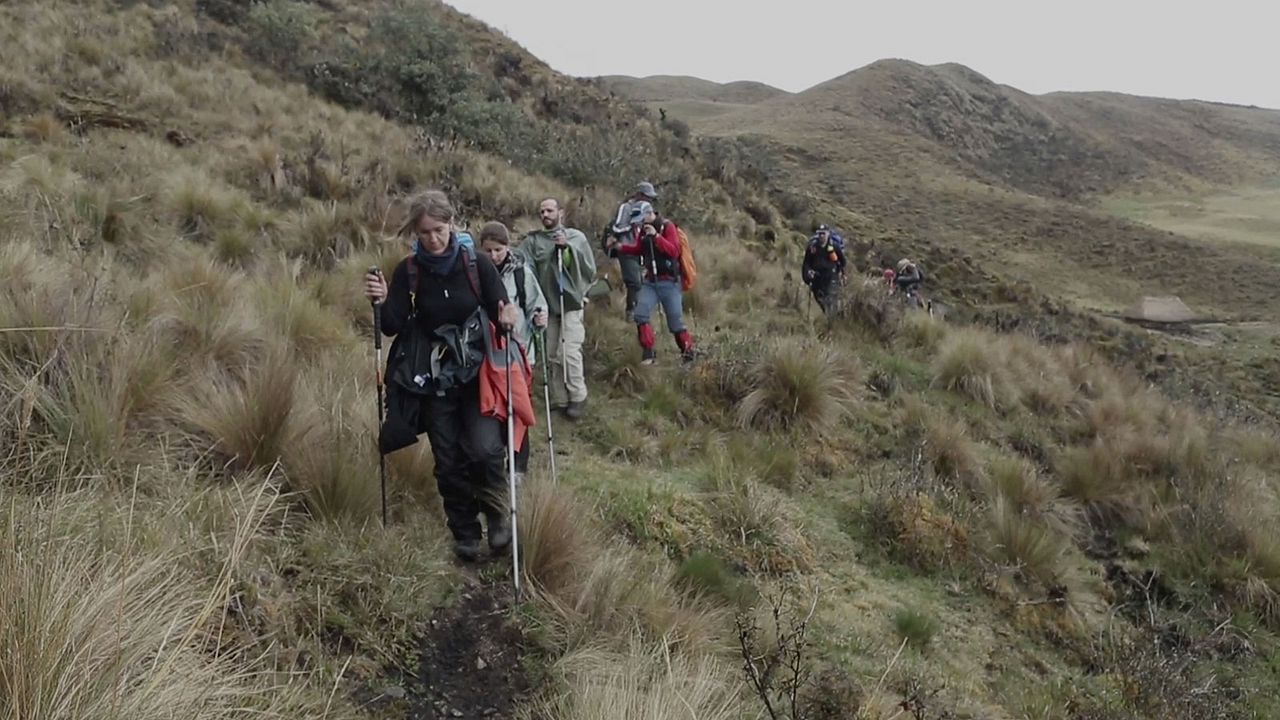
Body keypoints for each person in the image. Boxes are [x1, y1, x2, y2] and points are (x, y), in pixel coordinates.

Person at [363, 190, 521, 562]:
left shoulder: (476, 264)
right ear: (415, 234)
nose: (432, 239)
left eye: (438, 229)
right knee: (447, 459)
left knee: (485, 449)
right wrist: (382, 300)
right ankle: (465, 532)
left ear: (452, 223)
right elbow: (391, 327)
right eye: (424, 233)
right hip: (433, 380)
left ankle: (498, 515)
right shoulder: (410, 271)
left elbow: (500, 306)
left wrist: (509, 314)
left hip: (476, 376)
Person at [514, 198, 597, 420]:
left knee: (568, 351)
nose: (545, 214)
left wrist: (566, 250)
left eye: (549, 210)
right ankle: (560, 398)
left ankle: (578, 396)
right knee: (552, 354)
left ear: (560, 212)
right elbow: (522, 262)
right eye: (541, 211)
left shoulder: (575, 237)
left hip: (570, 303)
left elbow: (587, 269)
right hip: (547, 305)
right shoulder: (533, 242)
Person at [478, 221, 547, 483]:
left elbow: (536, 304)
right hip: (488, 355)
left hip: (519, 354)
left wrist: (540, 317)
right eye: (488, 250)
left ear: (507, 246)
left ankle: (518, 466)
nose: (494, 256)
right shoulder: (476, 273)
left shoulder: (521, 273)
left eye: (498, 249)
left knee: (518, 407)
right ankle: (495, 462)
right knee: (493, 408)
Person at [616, 201, 695, 365]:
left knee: (675, 322)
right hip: (651, 282)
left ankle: (688, 353)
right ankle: (648, 353)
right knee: (640, 314)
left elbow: (674, 250)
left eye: (641, 219)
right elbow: (639, 249)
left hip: (670, 283)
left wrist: (657, 237)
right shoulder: (643, 230)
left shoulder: (667, 227)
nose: (639, 223)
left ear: (648, 214)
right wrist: (621, 247)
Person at [604, 181, 659, 320]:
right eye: (647, 196)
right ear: (640, 194)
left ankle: (639, 312)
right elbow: (618, 227)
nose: (649, 200)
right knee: (634, 282)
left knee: (642, 281)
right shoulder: (626, 207)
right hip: (626, 247)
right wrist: (634, 223)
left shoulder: (646, 208)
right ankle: (631, 313)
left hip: (641, 249)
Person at [802, 224, 847, 314]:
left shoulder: (834, 247)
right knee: (820, 300)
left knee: (831, 301)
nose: (821, 236)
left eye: (823, 233)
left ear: (828, 234)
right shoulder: (812, 248)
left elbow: (843, 262)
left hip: (831, 278)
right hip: (817, 279)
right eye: (820, 234)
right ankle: (829, 317)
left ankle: (833, 320)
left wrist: (839, 272)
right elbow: (806, 263)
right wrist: (807, 276)